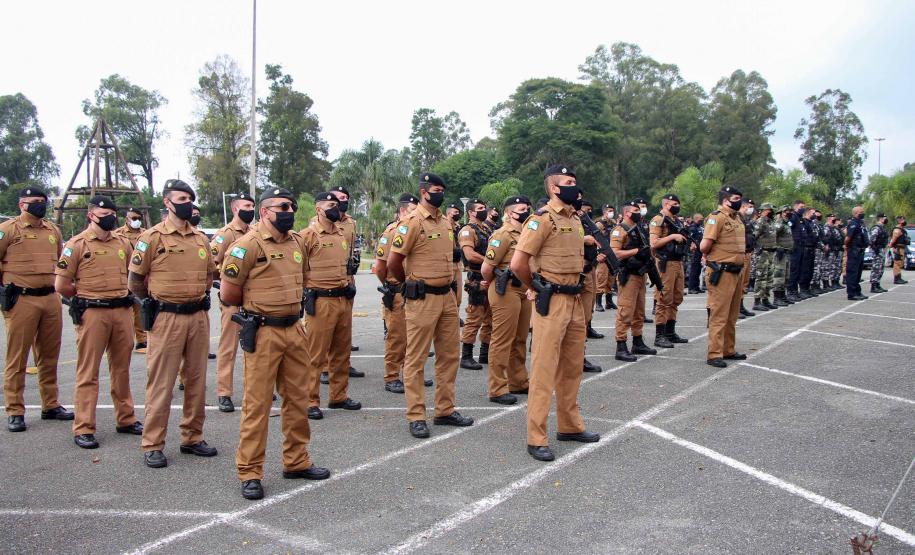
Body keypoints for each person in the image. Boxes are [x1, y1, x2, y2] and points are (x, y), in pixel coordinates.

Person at [219, 187, 330, 500]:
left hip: (294, 330)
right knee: (258, 405)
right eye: (282, 207)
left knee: (297, 399)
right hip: (264, 331)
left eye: (292, 207)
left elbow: (305, 279)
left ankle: (296, 461)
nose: (289, 211)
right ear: (265, 211)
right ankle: (250, 471)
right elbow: (229, 293)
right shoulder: (247, 246)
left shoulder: (297, 242)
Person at [510, 165, 600, 462]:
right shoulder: (541, 220)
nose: (576, 186)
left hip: (574, 299)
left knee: (572, 368)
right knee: (544, 370)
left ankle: (570, 426)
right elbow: (518, 263)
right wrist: (535, 286)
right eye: (569, 182)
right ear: (554, 188)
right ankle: (536, 437)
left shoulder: (575, 219)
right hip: (552, 301)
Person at [128, 179, 217, 468]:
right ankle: (153, 443)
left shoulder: (201, 238)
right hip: (166, 317)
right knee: (161, 382)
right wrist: (153, 302)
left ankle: (192, 436)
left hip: (197, 316)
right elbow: (135, 282)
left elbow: (209, 275)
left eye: (190, 198)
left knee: (196, 380)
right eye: (181, 197)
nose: (187, 202)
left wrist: (198, 294)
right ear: (167, 202)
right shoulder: (151, 237)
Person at [387, 172, 473, 439]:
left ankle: (445, 410)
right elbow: (392, 262)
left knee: (449, 356)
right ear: (424, 192)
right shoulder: (411, 223)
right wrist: (407, 285)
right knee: (416, 358)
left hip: (446, 297)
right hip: (421, 297)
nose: (440, 193)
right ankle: (416, 415)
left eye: (442, 189)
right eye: (436, 189)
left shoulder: (446, 223)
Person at [54, 196, 142, 448]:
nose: (110, 217)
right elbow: (61, 284)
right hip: (93, 312)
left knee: (121, 367)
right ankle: (84, 426)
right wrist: (86, 298)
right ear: (91, 215)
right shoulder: (77, 244)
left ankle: (126, 418)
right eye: (105, 213)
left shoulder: (123, 243)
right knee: (88, 371)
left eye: (113, 213)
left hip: (121, 311)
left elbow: (133, 275)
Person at [0, 186, 72, 432]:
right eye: (35, 201)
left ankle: (50, 404)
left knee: (49, 354)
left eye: (43, 200)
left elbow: (60, 263)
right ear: (22, 204)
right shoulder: (8, 230)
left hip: (50, 297)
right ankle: (15, 409)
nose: (40, 204)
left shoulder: (53, 230)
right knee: (17, 357)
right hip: (22, 298)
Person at [301, 192, 362, 420]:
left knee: (341, 351)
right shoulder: (307, 236)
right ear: (319, 209)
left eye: (337, 205)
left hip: (342, 298)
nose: (336, 208)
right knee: (315, 355)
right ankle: (309, 400)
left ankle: (338, 396)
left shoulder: (341, 234)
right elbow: (298, 268)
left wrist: (348, 283)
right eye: (330, 205)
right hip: (321, 300)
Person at [481, 195, 532, 405]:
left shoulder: (528, 232)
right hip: (505, 289)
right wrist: (494, 283)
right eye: (522, 208)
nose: (526, 211)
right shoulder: (502, 234)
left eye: (527, 207)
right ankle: (497, 388)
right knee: (502, 340)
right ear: (511, 213)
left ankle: (518, 381)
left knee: (520, 339)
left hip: (523, 289)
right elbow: (486, 269)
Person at [210, 192, 256, 413]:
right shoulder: (225, 234)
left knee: (253, 345)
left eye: (253, 205)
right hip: (232, 300)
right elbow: (212, 265)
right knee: (228, 346)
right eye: (247, 205)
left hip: (252, 298)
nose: (251, 209)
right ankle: (224, 392)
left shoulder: (254, 232)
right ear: (236, 208)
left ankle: (254, 388)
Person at [375, 194, 421, 394]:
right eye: (412, 210)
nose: (415, 215)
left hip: (414, 290)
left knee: (413, 337)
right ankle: (392, 376)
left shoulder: (417, 229)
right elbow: (380, 267)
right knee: (397, 337)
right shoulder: (392, 232)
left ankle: (409, 373)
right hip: (397, 291)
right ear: (402, 211)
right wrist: (392, 285)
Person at [701, 186, 747, 368]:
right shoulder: (716, 218)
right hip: (722, 271)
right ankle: (714, 353)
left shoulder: (737, 219)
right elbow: (704, 246)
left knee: (732, 314)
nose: (739, 201)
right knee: (719, 314)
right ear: (726, 200)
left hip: (736, 271)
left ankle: (728, 349)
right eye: (736, 198)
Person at [610, 201, 659, 361]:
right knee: (625, 311)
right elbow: (615, 253)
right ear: (626, 213)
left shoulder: (639, 229)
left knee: (639, 311)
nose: (639, 212)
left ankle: (638, 342)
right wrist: (636, 251)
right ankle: (621, 345)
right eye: (635, 210)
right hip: (628, 275)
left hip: (640, 274)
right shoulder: (619, 230)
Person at [648, 194, 689, 348]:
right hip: (665, 263)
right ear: (665, 204)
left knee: (676, 298)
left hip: (678, 262)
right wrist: (672, 236)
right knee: (663, 299)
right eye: (673, 203)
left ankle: (670, 332)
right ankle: (660, 335)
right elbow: (654, 243)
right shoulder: (658, 220)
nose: (677, 205)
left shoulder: (676, 220)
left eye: (678, 203)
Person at [459, 199, 493, 370]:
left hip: (490, 277)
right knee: (474, 318)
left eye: (483, 207)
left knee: (490, 317)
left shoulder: (486, 229)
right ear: (471, 212)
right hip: (477, 279)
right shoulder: (467, 230)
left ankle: (484, 353)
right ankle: (466, 356)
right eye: (479, 208)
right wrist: (491, 261)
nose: (483, 210)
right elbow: (470, 255)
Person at [115, 206, 148, 352]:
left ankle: (141, 340)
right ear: (126, 219)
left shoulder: (146, 234)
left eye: (139, 219)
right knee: (124, 310)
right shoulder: (118, 235)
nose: (137, 221)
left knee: (140, 308)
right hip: (123, 276)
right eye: (134, 218)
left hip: (140, 277)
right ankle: (124, 339)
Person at [751, 203, 779, 311]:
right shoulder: (761, 221)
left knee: (769, 278)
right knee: (761, 277)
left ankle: (765, 299)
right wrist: (758, 249)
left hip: (771, 252)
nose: (771, 212)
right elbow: (754, 236)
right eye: (769, 210)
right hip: (763, 253)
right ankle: (757, 301)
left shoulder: (770, 222)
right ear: (764, 210)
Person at [843, 206, 870, 300]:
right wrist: (846, 246)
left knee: (858, 274)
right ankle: (851, 293)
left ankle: (857, 291)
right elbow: (848, 238)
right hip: (854, 250)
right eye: (861, 212)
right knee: (852, 273)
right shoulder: (853, 223)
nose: (862, 213)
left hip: (861, 250)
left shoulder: (861, 223)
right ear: (855, 213)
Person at [594, 204, 617, 310]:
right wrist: (598, 253)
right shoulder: (599, 224)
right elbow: (595, 238)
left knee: (611, 279)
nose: (611, 212)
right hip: (603, 254)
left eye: (612, 210)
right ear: (604, 212)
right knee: (601, 278)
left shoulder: (613, 223)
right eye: (609, 211)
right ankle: (598, 303)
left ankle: (609, 301)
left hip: (612, 254)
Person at [771, 205, 795, 306]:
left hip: (787, 252)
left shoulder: (787, 223)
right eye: (785, 211)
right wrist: (776, 246)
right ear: (781, 213)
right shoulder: (779, 223)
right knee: (779, 275)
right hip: (780, 252)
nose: (788, 213)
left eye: (789, 211)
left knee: (786, 276)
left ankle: (783, 296)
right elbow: (772, 235)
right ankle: (777, 298)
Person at [786, 200, 808, 301]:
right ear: (795, 207)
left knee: (799, 270)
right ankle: (791, 291)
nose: (802, 208)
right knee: (793, 270)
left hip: (801, 246)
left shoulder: (800, 218)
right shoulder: (793, 216)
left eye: (804, 206)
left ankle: (795, 291)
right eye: (801, 206)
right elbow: (788, 228)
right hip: (794, 246)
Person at [445, 203, 464, 312]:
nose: (457, 214)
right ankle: (450, 313)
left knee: (458, 293)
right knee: (449, 293)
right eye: (455, 212)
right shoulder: (444, 226)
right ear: (448, 213)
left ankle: (456, 313)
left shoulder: (458, 227)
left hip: (457, 264)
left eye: (458, 212)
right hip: (448, 264)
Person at [687, 213, 705, 294]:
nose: (702, 220)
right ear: (696, 219)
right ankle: (691, 288)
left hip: (700, 250)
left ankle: (696, 287)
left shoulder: (699, 227)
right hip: (694, 251)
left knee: (698, 269)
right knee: (694, 270)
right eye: (700, 219)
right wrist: (691, 246)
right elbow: (689, 239)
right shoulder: (692, 228)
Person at [889, 215, 910, 284]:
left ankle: (899, 277)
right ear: (899, 221)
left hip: (902, 248)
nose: (904, 220)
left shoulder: (901, 229)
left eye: (904, 219)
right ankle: (897, 279)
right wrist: (892, 246)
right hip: (898, 248)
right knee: (897, 264)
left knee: (900, 263)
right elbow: (893, 239)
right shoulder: (897, 229)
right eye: (902, 219)